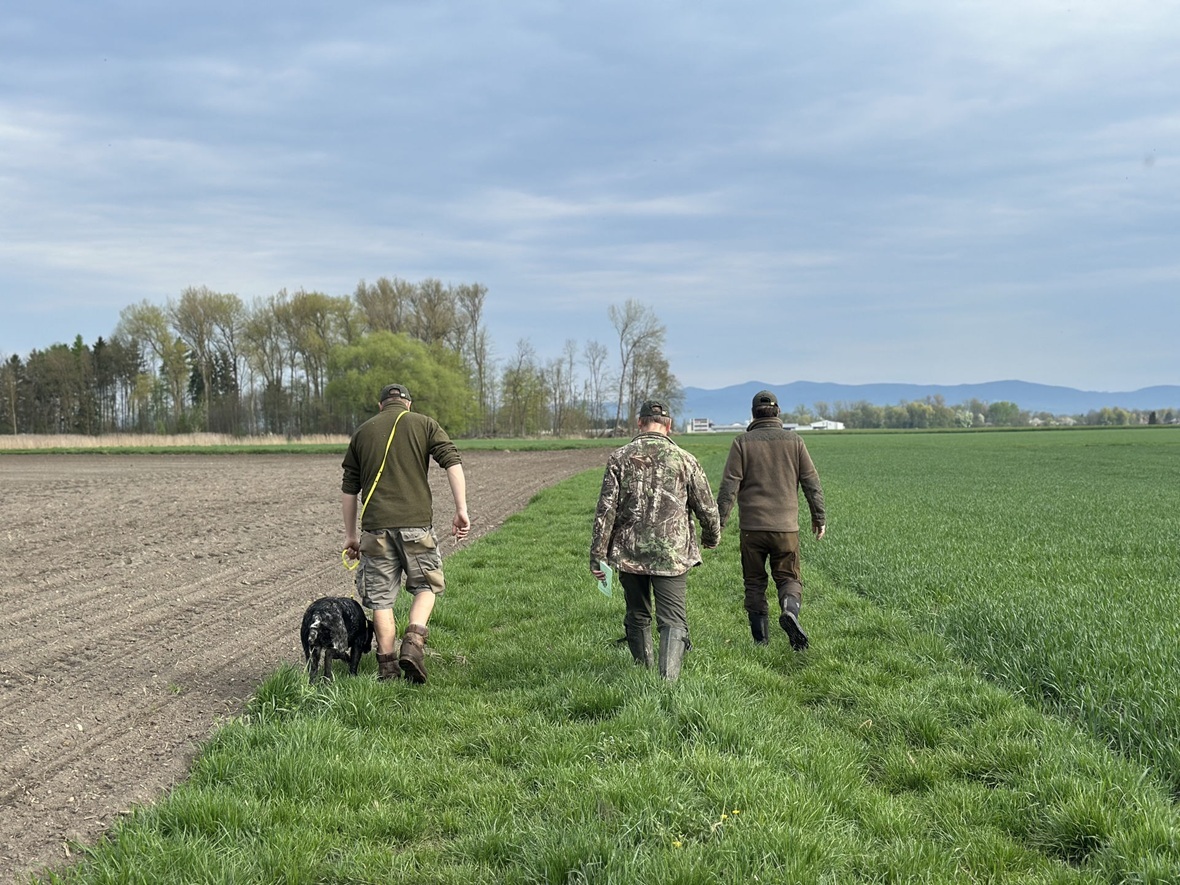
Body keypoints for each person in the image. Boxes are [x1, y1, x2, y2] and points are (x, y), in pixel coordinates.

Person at [341, 383, 470, 683]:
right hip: (416, 525)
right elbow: (452, 461)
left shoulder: (362, 432)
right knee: (427, 585)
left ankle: (387, 668)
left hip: (375, 528)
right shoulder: (424, 424)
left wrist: (350, 536)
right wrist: (461, 509)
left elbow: (349, 488)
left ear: (380, 406)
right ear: (408, 404)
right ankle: (413, 643)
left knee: (381, 600)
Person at [590, 399, 720, 681]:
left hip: (629, 552)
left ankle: (644, 671)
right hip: (672, 554)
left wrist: (598, 555)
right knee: (672, 618)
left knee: (637, 612)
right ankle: (668, 682)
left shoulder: (619, 458)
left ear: (640, 423)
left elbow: (605, 510)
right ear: (668, 426)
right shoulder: (685, 459)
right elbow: (707, 507)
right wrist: (712, 537)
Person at [717, 389, 825, 650]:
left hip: (751, 529)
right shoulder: (795, 441)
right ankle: (789, 611)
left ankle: (761, 642)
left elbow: (729, 487)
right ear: (778, 412)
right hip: (785, 528)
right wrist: (819, 517)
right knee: (789, 578)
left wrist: (718, 524)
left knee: (754, 582)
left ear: (753, 414)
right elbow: (811, 483)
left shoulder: (742, 443)